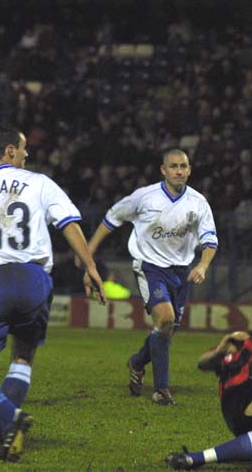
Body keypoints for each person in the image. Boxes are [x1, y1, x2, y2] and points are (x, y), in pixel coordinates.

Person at [0, 125, 105, 462]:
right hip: (35, 278)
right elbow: (68, 224)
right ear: (8, 151)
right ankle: (1, 437)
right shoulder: (39, 183)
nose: (26, 154)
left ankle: (9, 415)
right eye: (22, 148)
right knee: (22, 356)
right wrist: (90, 267)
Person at [86, 148, 218, 405]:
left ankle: (137, 361)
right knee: (166, 319)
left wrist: (202, 265)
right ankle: (161, 390)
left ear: (189, 170)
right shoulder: (144, 197)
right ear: (163, 170)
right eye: (174, 166)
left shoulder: (198, 202)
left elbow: (210, 240)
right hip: (150, 267)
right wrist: (89, 252)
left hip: (181, 271)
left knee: (167, 329)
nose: (179, 171)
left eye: (183, 166)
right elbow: (111, 218)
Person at [165, 312, 252, 471]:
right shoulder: (250, 343)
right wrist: (220, 351)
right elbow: (203, 363)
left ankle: (193, 458)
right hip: (240, 402)